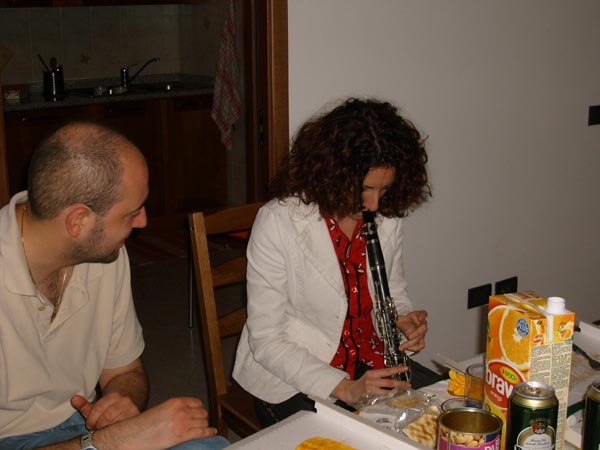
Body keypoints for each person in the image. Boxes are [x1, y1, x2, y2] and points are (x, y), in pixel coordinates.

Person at [0, 122, 230, 450]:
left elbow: (124, 371)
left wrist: (123, 399)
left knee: (209, 447)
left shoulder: (106, 254)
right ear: (78, 221)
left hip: (82, 429)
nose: (143, 222)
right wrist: (111, 440)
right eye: (131, 213)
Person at [233, 97, 443, 426]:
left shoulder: (386, 217)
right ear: (334, 174)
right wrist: (344, 388)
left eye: (384, 190)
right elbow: (267, 340)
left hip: (370, 362)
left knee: (447, 415)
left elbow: (393, 292)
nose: (374, 204)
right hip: (294, 378)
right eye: (365, 189)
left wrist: (402, 320)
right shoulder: (278, 222)